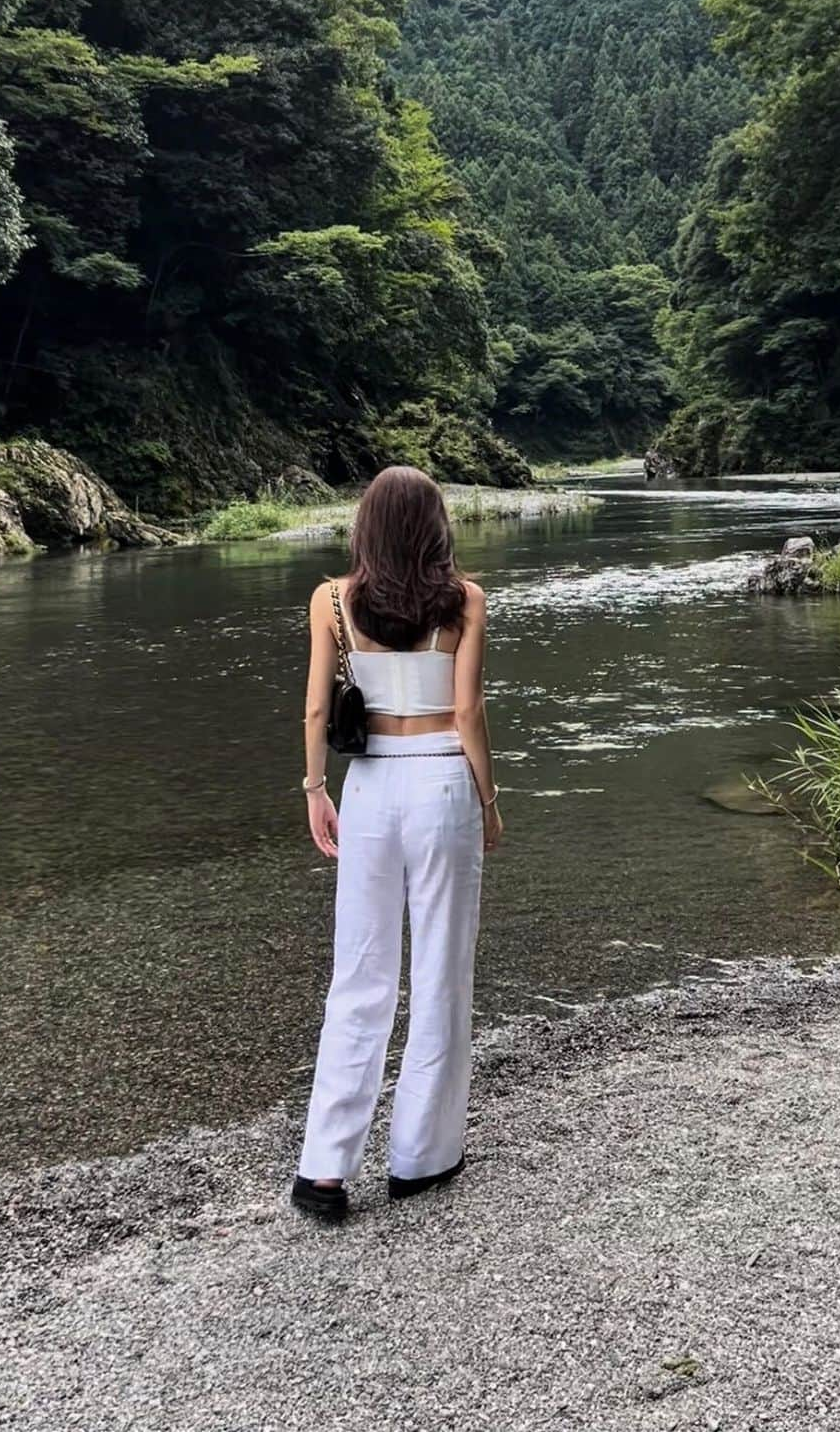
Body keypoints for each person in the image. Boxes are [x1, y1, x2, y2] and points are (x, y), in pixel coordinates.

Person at [291, 466, 503, 1223]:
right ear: (436, 526)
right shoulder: (466, 601)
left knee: (360, 971)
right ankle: (420, 1158)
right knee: (442, 968)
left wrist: (316, 789)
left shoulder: (331, 600)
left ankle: (323, 1169)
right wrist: (489, 798)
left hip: (372, 787)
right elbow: (469, 709)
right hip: (444, 781)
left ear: (366, 526)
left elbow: (318, 705)